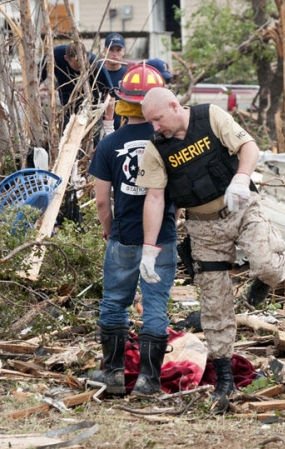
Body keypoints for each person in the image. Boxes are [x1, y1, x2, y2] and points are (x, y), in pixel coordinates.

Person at [136, 87, 285, 413]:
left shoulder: (210, 116)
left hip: (242, 208)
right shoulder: (156, 149)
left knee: (268, 266)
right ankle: (224, 380)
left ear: (174, 106)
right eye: (150, 122)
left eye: (158, 119)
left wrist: (241, 178)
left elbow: (249, 146)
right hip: (203, 229)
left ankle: (263, 280)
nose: (155, 127)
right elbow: (154, 198)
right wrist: (149, 249)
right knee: (215, 306)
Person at [88, 64, 178, 397]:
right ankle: (148, 381)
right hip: (162, 239)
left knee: (114, 303)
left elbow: (100, 201)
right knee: (155, 306)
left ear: (122, 101)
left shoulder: (110, 144)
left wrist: (110, 230)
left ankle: (112, 375)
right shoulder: (169, 140)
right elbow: (178, 194)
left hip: (124, 235)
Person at [39, 41, 114, 125]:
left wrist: (109, 123)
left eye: (83, 63)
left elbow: (110, 93)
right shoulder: (55, 56)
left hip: (93, 110)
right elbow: (37, 78)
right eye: (77, 66)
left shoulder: (96, 65)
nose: (81, 67)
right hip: (68, 109)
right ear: (66, 58)